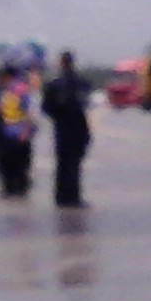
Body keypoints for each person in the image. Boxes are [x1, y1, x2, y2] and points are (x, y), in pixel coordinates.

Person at [42, 50, 94, 208]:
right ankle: (72, 196)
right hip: (78, 123)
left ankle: (62, 196)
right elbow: (86, 102)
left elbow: (46, 107)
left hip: (62, 125)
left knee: (63, 162)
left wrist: (57, 115)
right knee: (75, 163)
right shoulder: (81, 82)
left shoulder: (53, 83)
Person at [0, 64, 36, 198]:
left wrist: (25, 130)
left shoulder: (15, 90)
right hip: (9, 132)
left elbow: (26, 111)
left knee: (14, 162)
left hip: (14, 131)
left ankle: (15, 188)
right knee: (12, 162)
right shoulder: (7, 90)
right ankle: (13, 188)